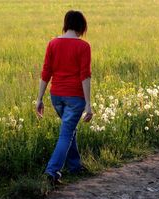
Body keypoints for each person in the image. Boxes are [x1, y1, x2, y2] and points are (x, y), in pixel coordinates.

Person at [36, 10, 93, 186]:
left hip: (56, 97)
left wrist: (39, 99)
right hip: (75, 98)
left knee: (69, 131)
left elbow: (46, 72)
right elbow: (85, 76)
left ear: (66, 24)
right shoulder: (83, 47)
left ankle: (75, 166)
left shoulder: (52, 44)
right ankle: (51, 172)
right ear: (82, 26)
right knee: (66, 134)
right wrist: (88, 104)